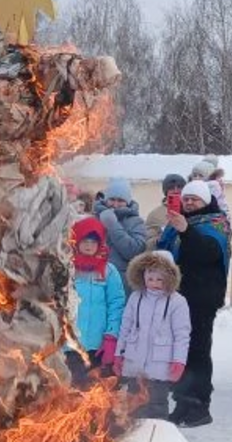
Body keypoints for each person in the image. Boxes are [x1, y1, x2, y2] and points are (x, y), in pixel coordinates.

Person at [158, 179, 230, 428]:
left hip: (202, 298)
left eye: (194, 199)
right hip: (179, 296)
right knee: (180, 352)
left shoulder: (215, 224)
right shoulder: (180, 223)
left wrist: (185, 231)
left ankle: (200, 405)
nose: (189, 203)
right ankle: (182, 401)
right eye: (186, 199)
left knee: (197, 352)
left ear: (205, 201)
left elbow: (207, 253)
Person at [114, 251, 191, 420]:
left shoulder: (177, 302)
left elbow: (182, 335)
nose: (154, 283)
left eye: (159, 279)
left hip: (160, 365)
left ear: (169, 278)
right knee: (134, 403)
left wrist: (179, 361)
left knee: (157, 403)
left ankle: (158, 432)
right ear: (143, 277)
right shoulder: (136, 298)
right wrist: (119, 354)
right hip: (135, 364)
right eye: (150, 279)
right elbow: (125, 328)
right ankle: (135, 431)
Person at [69, 216, 125, 385]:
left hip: (97, 346)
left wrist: (111, 336)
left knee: (94, 391)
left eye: (94, 242)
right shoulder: (66, 268)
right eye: (85, 241)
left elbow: (116, 304)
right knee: (69, 392)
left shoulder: (109, 271)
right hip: (69, 345)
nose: (89, 245)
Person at [97, 177, 149, 268]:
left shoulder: (136, 222)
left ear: (127, 202)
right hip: (94, 273)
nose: (115, 205)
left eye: (120, 200)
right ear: (106, 200)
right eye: (112, 199)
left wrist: (113, 225)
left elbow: (134, 252)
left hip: (122, 275)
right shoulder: (95, 217)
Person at [143, 173, 187, 252]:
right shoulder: (155, 215)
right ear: (166, 191)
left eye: (179, 187)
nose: (176, 190)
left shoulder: (191, 209)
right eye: (171, 187)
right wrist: (159, 239)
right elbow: (146, 243)